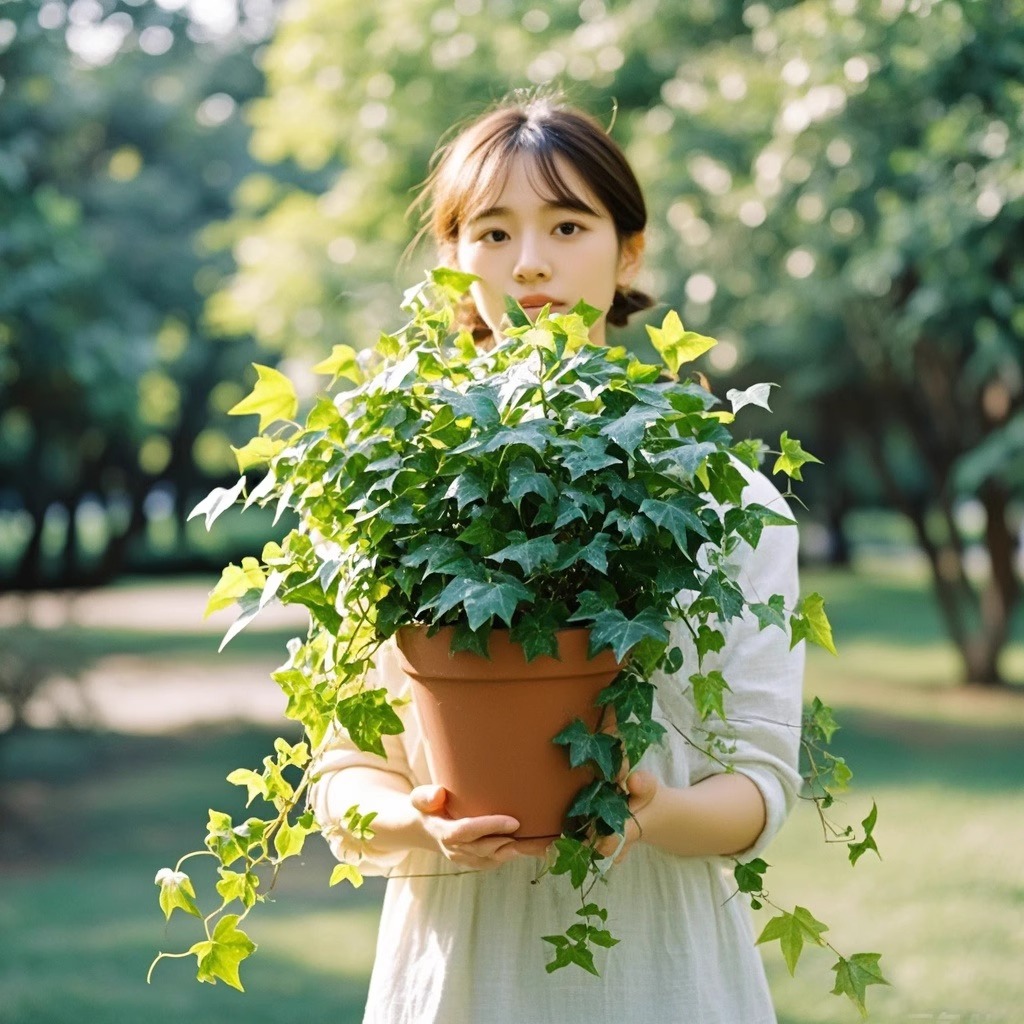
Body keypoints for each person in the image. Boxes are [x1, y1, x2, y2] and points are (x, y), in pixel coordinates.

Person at [308, 92, 805, 1024]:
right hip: (457, 979)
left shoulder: (727, 501)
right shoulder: (392, 486)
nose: (529, 261)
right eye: (491, 233)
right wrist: (422, 822)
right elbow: (344, 771)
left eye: (567, 223)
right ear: (452, 265)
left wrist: (648, 809)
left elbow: (761, 781)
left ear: (628, 251)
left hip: (664, 978)